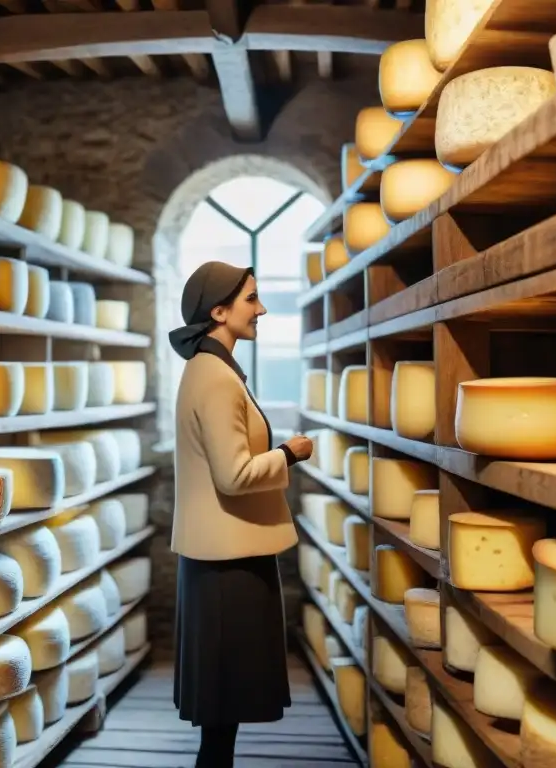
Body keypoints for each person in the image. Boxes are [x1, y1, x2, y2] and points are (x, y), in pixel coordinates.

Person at [169, 260, 315, 768]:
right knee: (221, 708)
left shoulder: (213, 369)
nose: (262, 309)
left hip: (224, 553)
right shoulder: (215, 379)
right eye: (251, 299)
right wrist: (290, 454)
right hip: (226, 561)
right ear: (218, 310)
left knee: (222, 710)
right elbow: (232, 476)